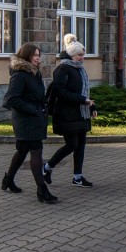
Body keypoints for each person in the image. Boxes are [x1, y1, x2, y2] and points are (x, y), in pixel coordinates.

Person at [1, 43, 58, 204]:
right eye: (35, 55)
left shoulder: (34, 73)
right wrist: (33, 110)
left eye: (39, 55)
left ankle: (8, 180)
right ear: (26, 56)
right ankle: (42, 190)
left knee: (22, 151)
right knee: (36, 152)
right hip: (26, 120)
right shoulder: (20, 75)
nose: (38, 58)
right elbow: (11, 99)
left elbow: (37, 95)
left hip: (34, 118)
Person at [43, 34, 97, 188]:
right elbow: (60, 92)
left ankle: (77, 177)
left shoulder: (80, 70)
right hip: (66, 113)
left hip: (81, 113)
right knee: (71, 144)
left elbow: (84, 92)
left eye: (83, 55)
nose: (82, 58)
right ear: (72, 55)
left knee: (81, 145)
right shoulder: (62, 69)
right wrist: (82, 101)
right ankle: (46, 168)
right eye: (80, 55)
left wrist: (91, 106)